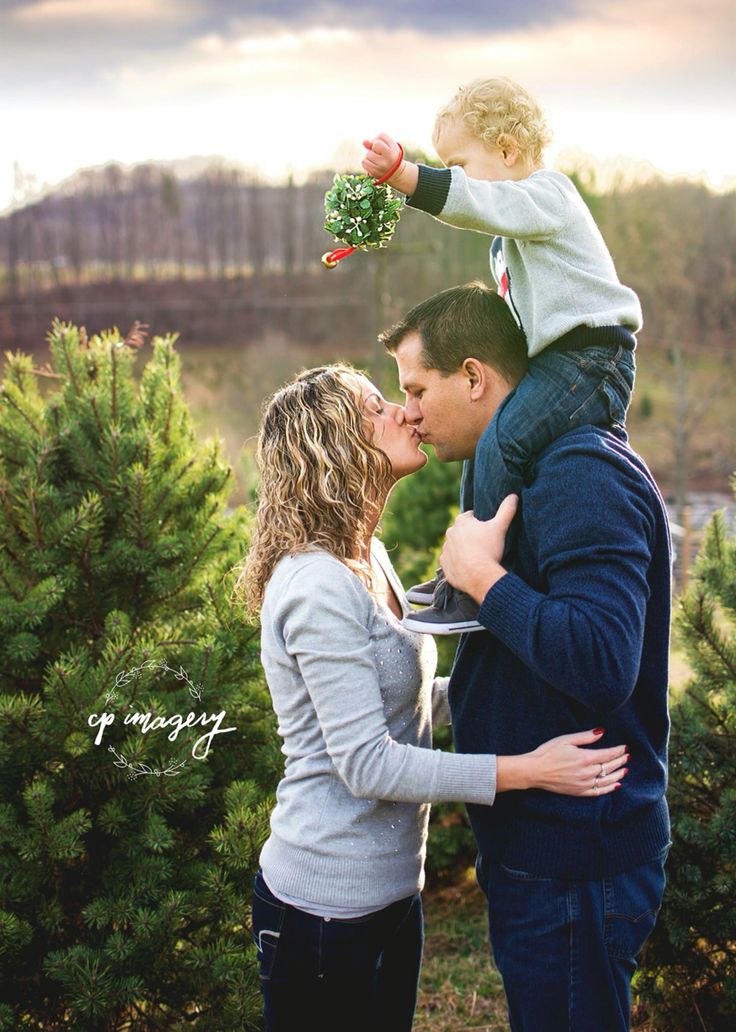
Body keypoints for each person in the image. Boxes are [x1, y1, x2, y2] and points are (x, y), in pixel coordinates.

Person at [236, 364, 629, 1032]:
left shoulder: (367, 556)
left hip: (392, 895)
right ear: (336, 443)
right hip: (325, 911)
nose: (405, 412)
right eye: (377, 407)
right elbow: (369, 764)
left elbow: (407, 700)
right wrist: (528, 771)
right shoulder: (315, 587)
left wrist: (533, 691)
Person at [381, 283, 671, 1032]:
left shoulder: (580, 473)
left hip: (578, 857)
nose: (407, 410)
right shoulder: (527, 471)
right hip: (542, 847)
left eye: (417, 388)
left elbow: (603, 661)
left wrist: (484, 579)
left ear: (473, 377)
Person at [362, 75, 642, 633]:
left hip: (592, 357)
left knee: (504, 439)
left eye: (460, 164)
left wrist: (407, 177)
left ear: (509, 151)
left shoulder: (550, 196)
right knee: (487, 446)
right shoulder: (509, 244)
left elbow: (478, 202)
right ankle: (463, 567)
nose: (458, 178)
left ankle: (478, 580)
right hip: (559, 362)